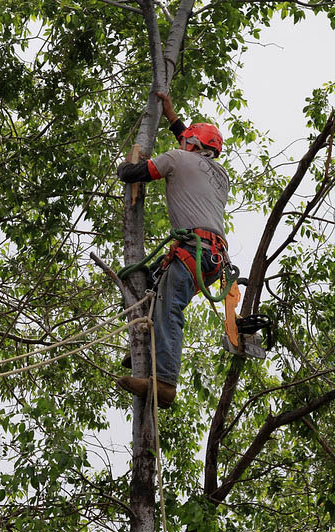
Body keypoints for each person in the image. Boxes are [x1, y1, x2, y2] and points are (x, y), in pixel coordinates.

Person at [114, 92, 230, 408]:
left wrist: (124, 167)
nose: (181, 143)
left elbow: (134, 173)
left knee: (168, 308)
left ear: (192, 144)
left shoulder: (177, 158)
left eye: (185, 139)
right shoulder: (220, 174)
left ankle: (164, 381)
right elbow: (190, 147)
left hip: (192, 251)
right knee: (145, 283)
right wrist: (172, 116)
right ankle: (144, 348)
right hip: (211, 258)